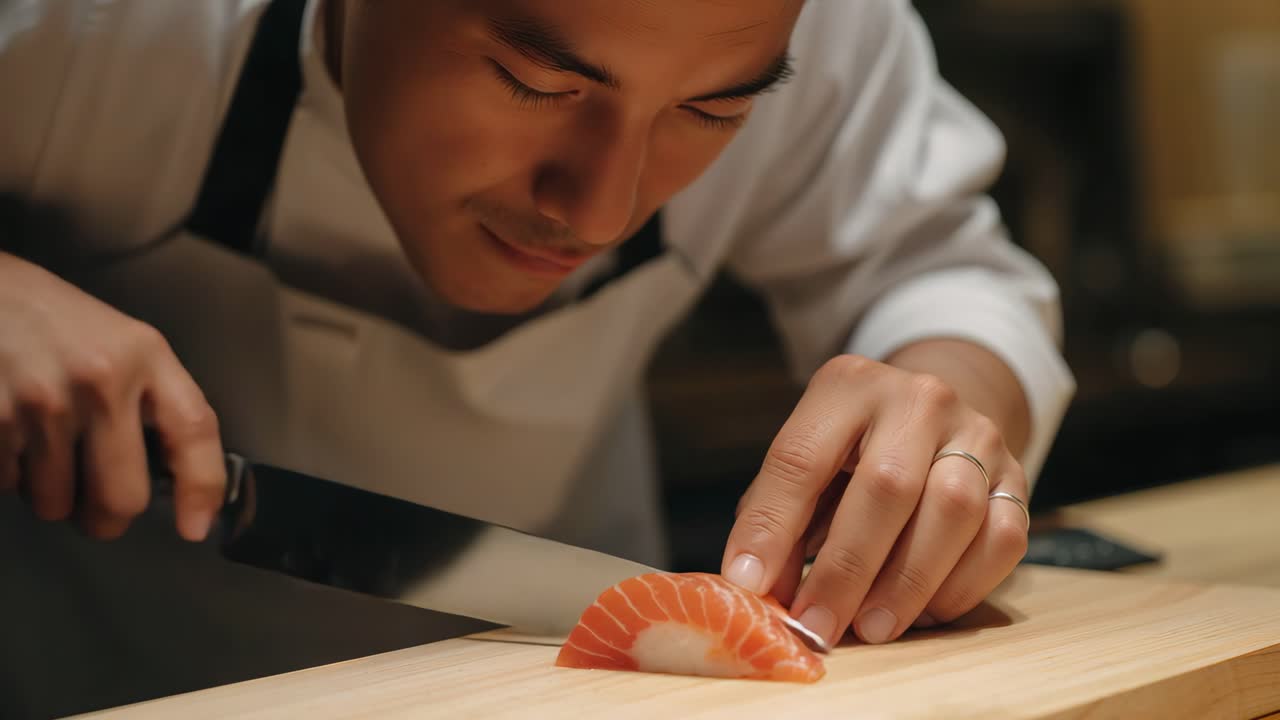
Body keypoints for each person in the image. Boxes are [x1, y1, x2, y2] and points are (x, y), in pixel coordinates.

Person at [0, 0, 1075, 713]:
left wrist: (944, 417)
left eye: (710, 109)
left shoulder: (809, 24)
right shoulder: (93, 24)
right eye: (534, 83)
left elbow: (943, 275)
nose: (599, 209)